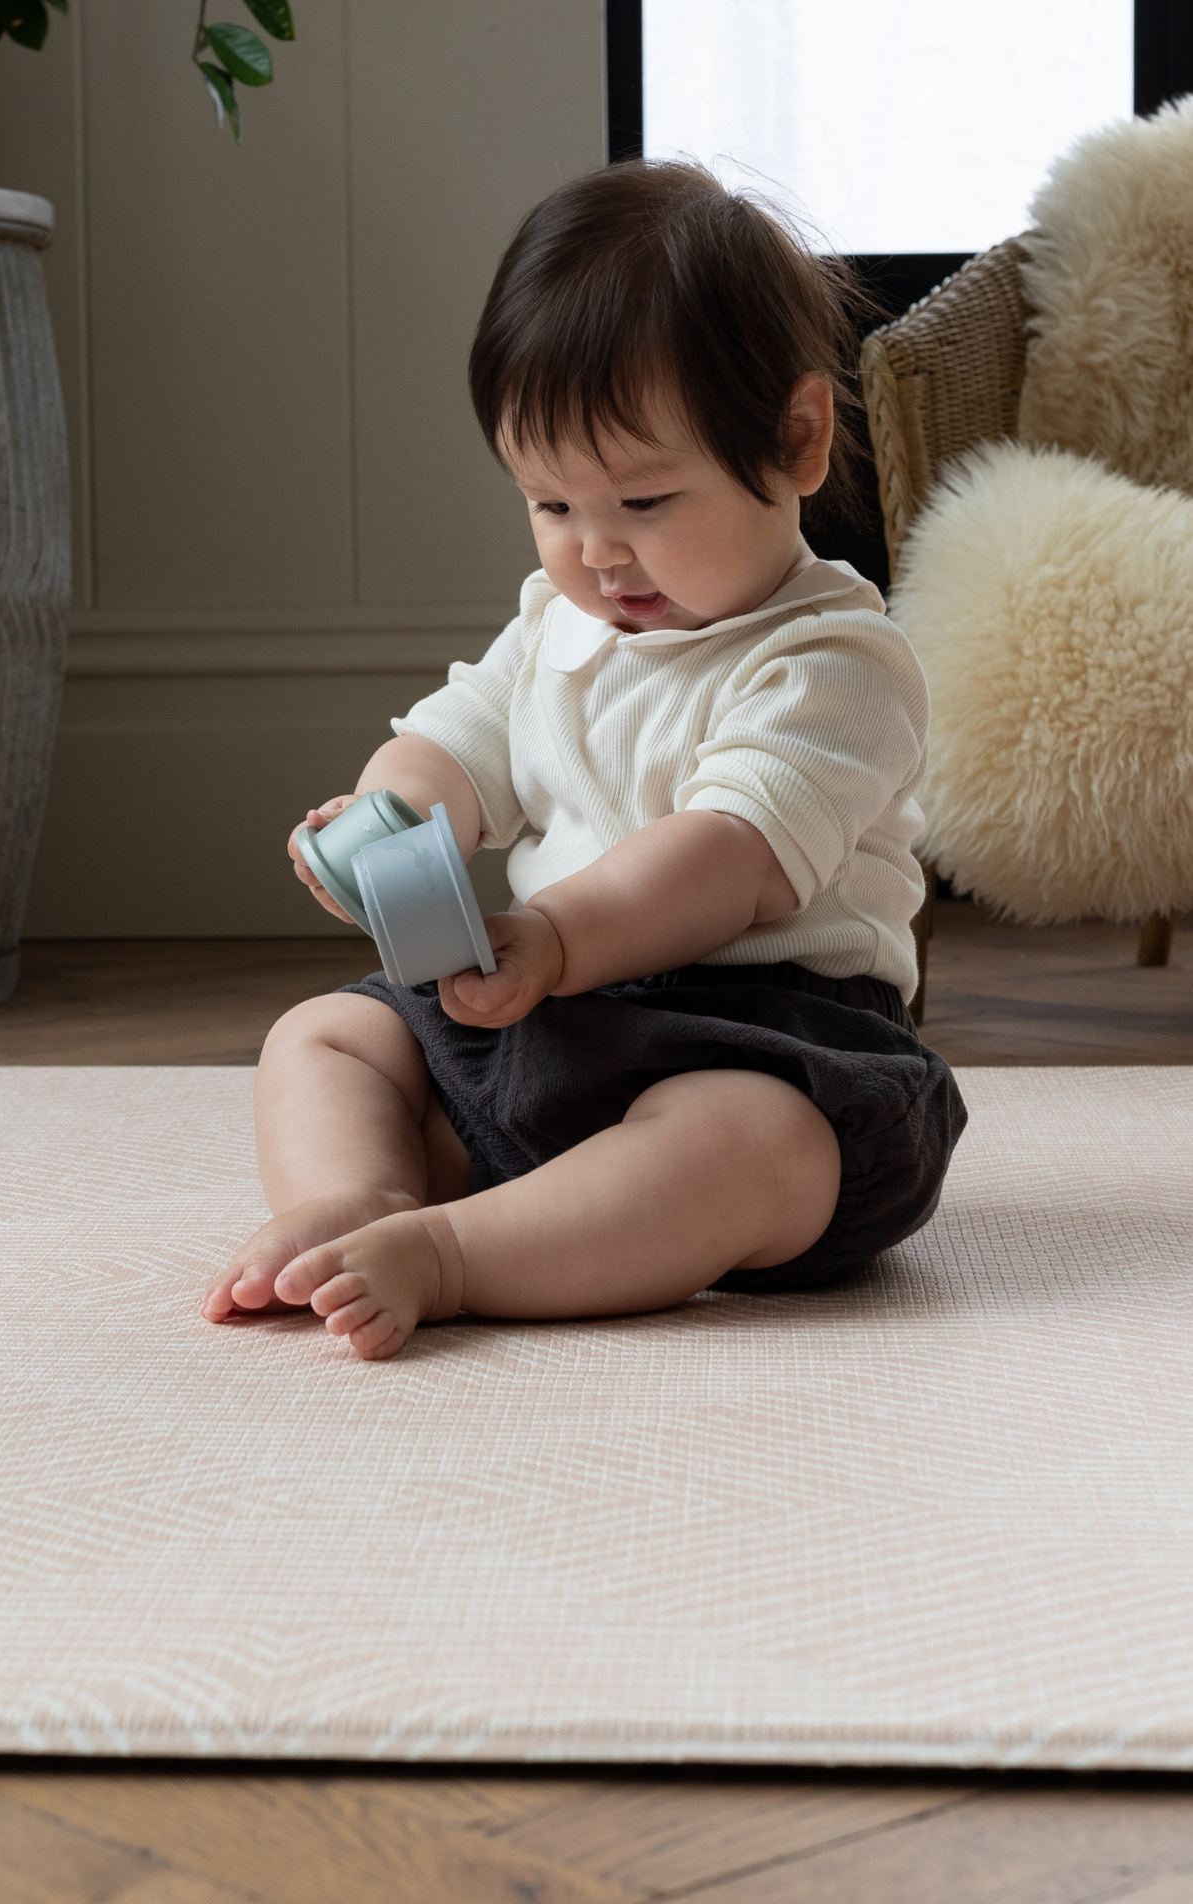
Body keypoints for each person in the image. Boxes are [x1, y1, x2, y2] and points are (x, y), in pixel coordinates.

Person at [201, 160, 966, 1360]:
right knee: (327, 1036)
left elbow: (731, 857)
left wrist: (557, 937)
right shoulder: (557, 626)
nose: (598, 552)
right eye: (551, 504)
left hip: (763, 1035)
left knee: (748, 1146)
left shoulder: (837, 660)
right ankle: (355, 1198)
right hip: (546, 1022)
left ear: (798, 438)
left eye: (646, 499)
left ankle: (459, 1252)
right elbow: (457, 740)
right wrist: (392, 817)